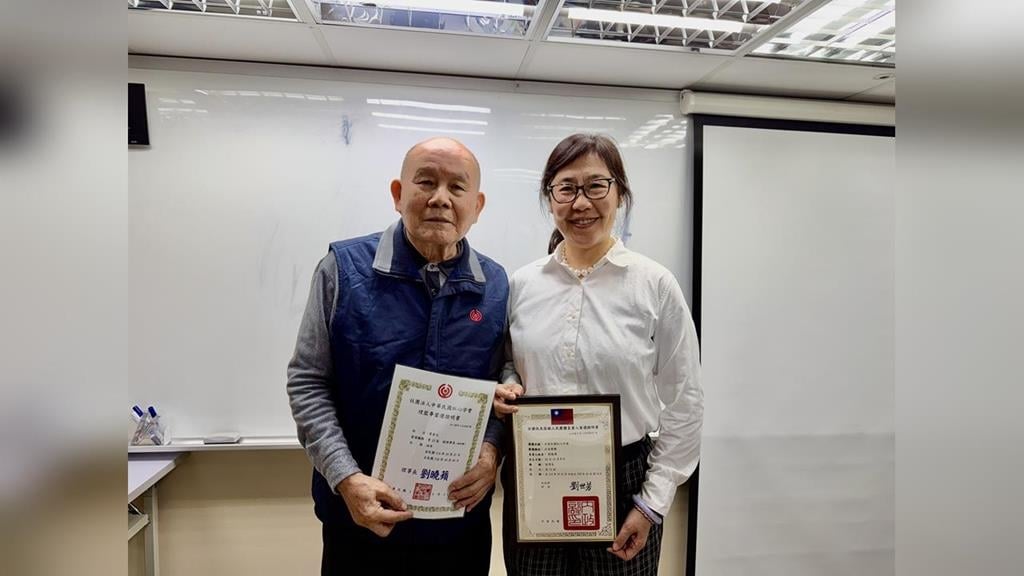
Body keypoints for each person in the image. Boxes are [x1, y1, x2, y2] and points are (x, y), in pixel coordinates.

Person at [287, 137, 509, 575]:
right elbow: (308, 382)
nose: (440, 198)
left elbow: (504, 380)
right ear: (398, 194)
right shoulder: (342, 269)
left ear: (477, 205)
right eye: (426, 182)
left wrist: (491, 453)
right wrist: (346, 478)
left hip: (459, 527)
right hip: (360, 523)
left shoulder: (496, 284)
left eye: (457, 187)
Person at [495, 133, 703, 576]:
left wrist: (651, 503)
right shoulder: (522, 284)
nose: (581, 203)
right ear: (549, 198)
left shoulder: (654, 285)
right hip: (536, 471)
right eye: (566, 188)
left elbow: (685, 401)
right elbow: (509, 361)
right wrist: (508, 384)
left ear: (620, 193)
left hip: (625, 480)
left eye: (596, 186)